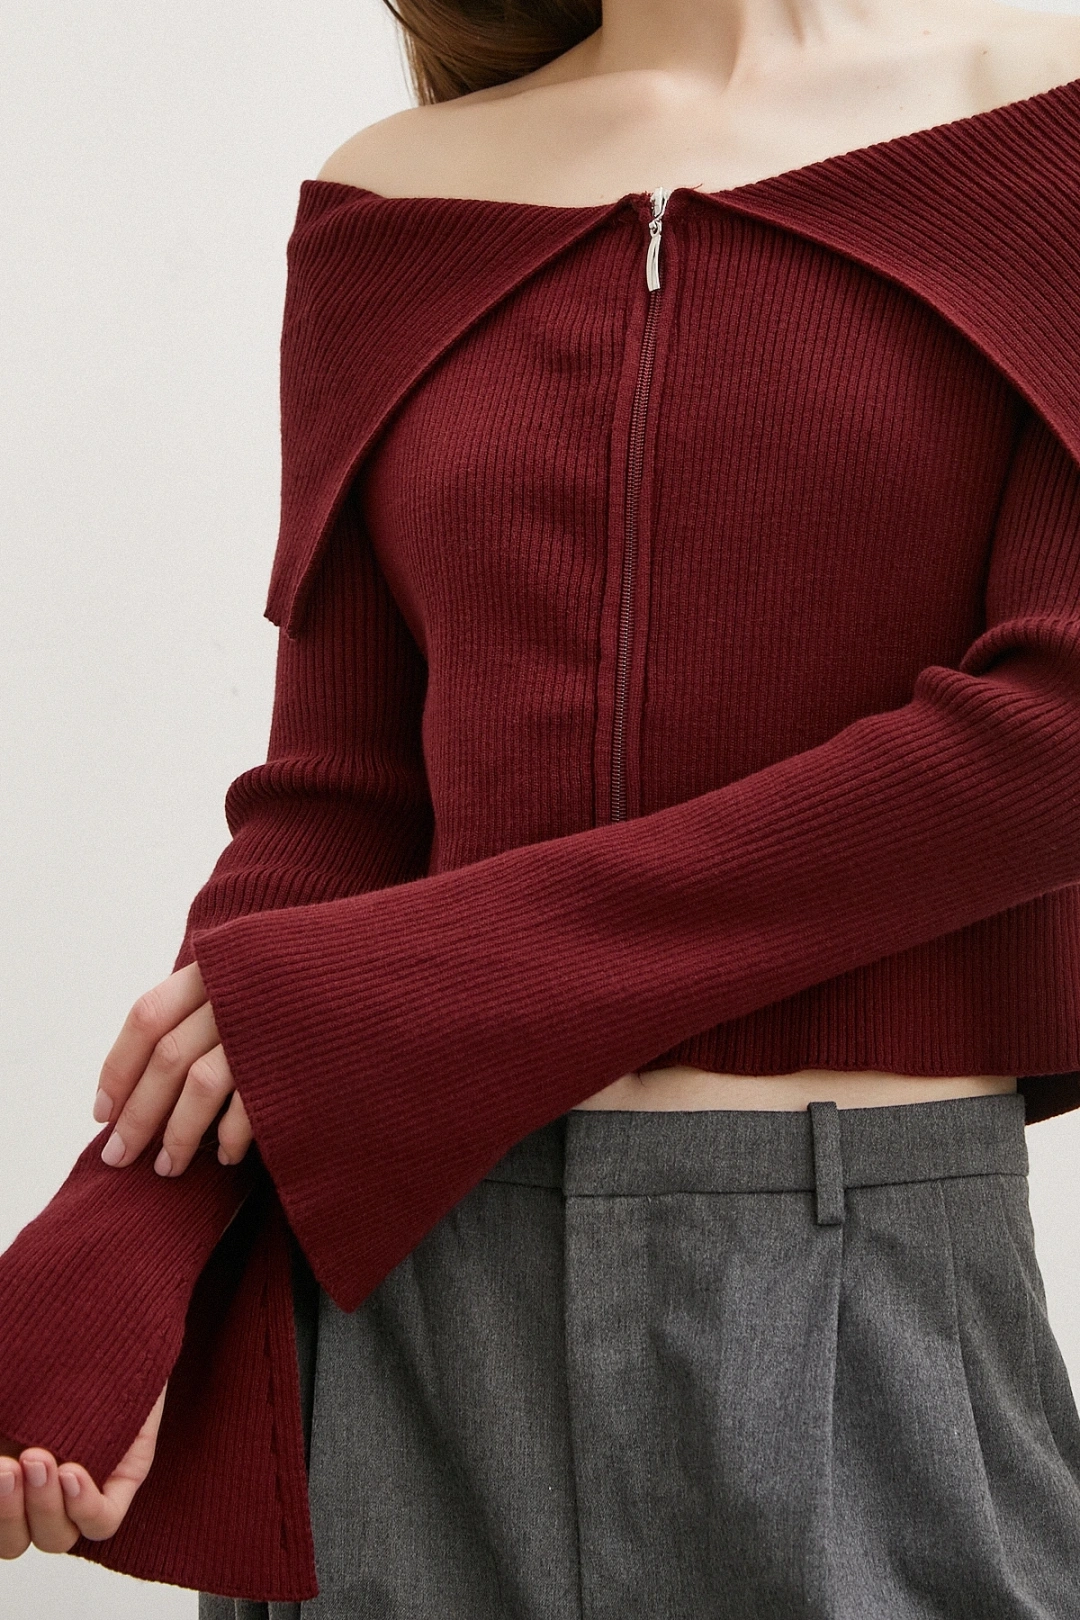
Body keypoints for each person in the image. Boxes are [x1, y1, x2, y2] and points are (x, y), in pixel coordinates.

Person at [4, 0, 1080, 1612]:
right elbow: (336, 803)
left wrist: (429, 991)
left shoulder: (1049, 129)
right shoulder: (395, 198)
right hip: (406, 1330)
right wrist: (119, 1244)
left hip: (859, 1300)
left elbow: (1054, 734)